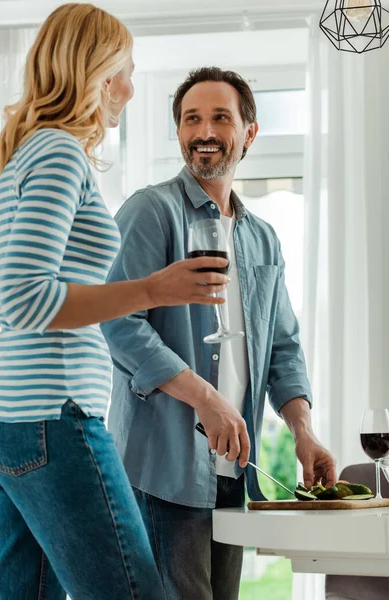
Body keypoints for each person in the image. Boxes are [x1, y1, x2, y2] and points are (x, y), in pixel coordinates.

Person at [0, 7, 230, 600]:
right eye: (123, 70)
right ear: (93, 72)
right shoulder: (57, 153)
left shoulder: (27, 152)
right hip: (54, 411)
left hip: (13, 419)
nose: (128, 87)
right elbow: (23, 298)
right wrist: (155, 288)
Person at [101, 66, 338, 600]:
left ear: (249, 132)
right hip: (163, 468)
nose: (203, 130)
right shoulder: (150, 211)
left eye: (220, 117)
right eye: (191, 119)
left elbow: (281, 345)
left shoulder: (262, 238)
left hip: (233, 472)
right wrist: (205, 399)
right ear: (178, 131)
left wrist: (302, 428)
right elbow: (119, 323)